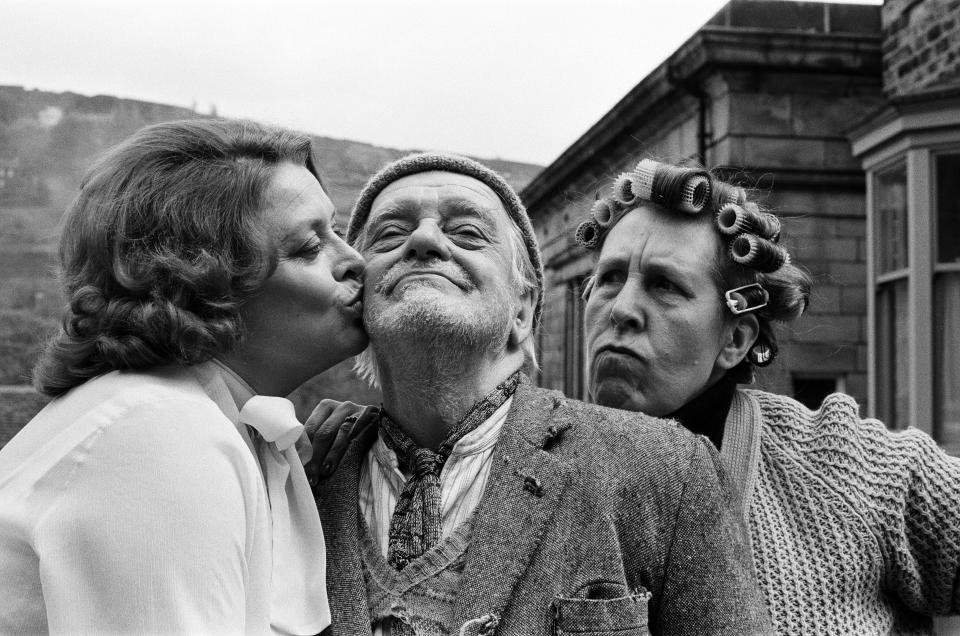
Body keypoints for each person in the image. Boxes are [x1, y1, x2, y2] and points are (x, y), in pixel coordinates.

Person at [313, 152, 773, 636]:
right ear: (356, 300)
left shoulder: (670, 474)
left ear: (524, 308)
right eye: (390, 234)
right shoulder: (294, 477)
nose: (424, 239)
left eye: (467, 232)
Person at [0, 118, 366, 634]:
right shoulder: (159, 432)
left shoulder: (189, 418)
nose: (355, 261)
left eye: (339, 231)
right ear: (203, 280)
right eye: (309, 247)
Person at [575, 158, 960, 635]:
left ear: (735, 339)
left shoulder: (844, 466)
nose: (623, 309)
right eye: (610, 278)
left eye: (665, 285)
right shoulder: (533, 475)